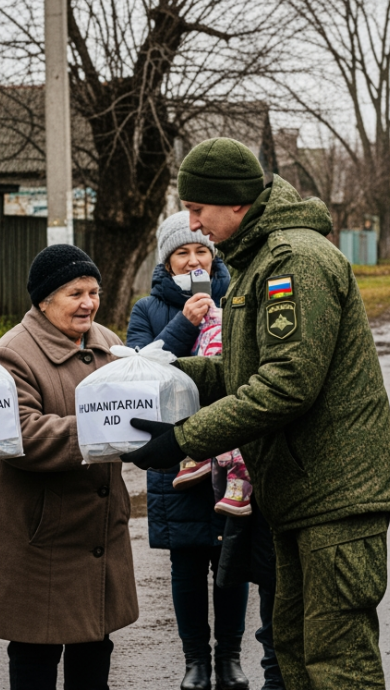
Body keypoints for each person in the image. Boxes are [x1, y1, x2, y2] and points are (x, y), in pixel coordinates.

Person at [121, 137, 390, 690]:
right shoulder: (260, 260)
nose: (194, 224)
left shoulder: (292, 261)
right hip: (301, 493)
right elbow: (242, 369)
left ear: (234, 203)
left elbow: (287, 383)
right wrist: (160, 377)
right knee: (295, 652)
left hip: (335, 495)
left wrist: (186, 437)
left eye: (198, 209)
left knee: (338, 662)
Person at [0, 245, 139, 689]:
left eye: (93, 291)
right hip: (42, 535)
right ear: (44, 300)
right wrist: (104, 428)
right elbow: (18, 435)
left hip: (96, 530)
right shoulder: (12, 354)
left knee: (94, 650)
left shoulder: (109, 343)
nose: (88, 303)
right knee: (35, 652)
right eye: (75, 293)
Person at [125, 212, 253, 690]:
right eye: (183, 252)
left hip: (232, 450)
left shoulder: (239, 293)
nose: (194, 260)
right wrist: (183, 323)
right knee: (186, 560)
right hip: (173, 453)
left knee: (231, 557)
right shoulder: (148, 309)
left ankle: (232, 659)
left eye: (201, 250)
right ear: (168, 260)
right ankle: (195, 662)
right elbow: (141, 373)